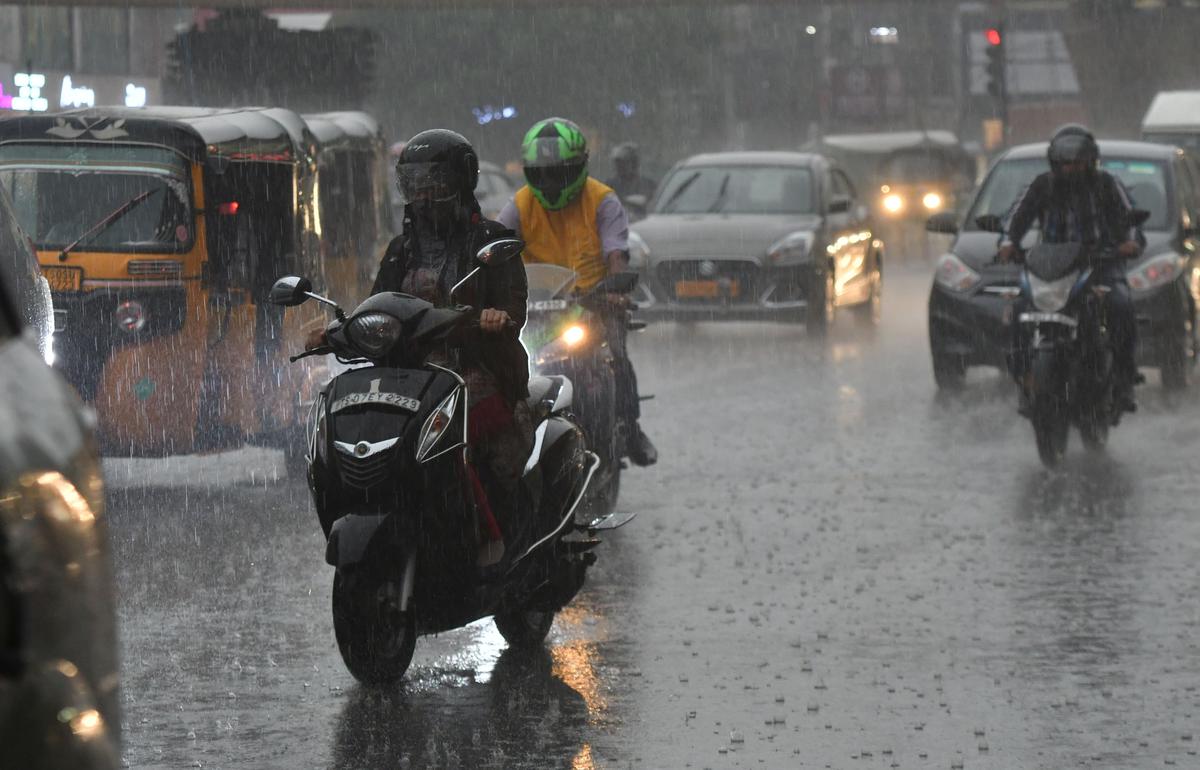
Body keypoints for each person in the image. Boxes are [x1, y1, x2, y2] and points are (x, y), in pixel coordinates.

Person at [308, 129, 533, 559]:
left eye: (435, 183)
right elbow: (378, 305)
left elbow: (513, 305)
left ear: (461, 182)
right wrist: (337, 330)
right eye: (415, 184)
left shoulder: (491, 242)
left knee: (464, 439)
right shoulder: (400, 250)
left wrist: (495, 317)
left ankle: (493, 541)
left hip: (476, 370)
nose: (425, 195)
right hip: (408, 376)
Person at [497, 117, 658, 467]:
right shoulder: (519, 206)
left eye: (560, 173)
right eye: (543, 174)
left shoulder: (603, 201)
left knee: (615, 359)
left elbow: (617, 254)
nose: (552, 183)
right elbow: (494, 252)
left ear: (581, 167)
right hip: (534, 309)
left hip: (593, 305)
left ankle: (630, 428)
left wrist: (615, 290)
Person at [997, 123, 1143, 412]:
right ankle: (1024, 376)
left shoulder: (1107, 185)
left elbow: (1131, 222)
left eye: (1079, 162)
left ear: (1091, 161)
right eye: (1066, 163)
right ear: (1055, 162)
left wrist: (1129, 242)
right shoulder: (1041, 185)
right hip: (1051, 269)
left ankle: (1124, 380)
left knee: (1120, 306)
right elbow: (1015, 219)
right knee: (1019, 309)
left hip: (1099, 265)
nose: (1072, 168)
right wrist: (1007, 243)